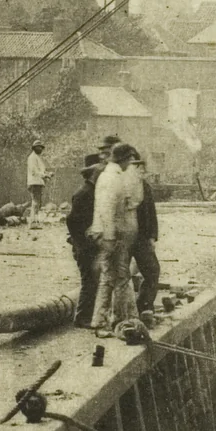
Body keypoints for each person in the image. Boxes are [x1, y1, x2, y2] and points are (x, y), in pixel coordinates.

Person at [88, 142, 139, 332]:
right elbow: (107, 210)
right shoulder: (114, 178)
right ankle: (117, 319)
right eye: (130, 159)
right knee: (119, 277)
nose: (131, 163)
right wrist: (110, 238)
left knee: (110, 277)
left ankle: (103, 319)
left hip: (109, 234)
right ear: (123, 159)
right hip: (112, 236)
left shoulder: (109, 175)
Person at [66, 154, 102, 328]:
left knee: (93, 281)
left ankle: (87, 315)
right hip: (84, 246)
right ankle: (82, 318)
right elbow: (72, 221)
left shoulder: (93, 192)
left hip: (89, 244)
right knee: (89, 282)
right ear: (92, 173)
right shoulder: (83, 193)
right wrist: (82, 243)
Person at [130, 151, 161, 314]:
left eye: (142, 168)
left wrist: (151, 236)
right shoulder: (125, 186)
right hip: (128, 236)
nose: (141, 171)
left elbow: (151, 214)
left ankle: (144, 305)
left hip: (142, 238)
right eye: (137, 167)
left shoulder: (145, 187)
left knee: (152, 271)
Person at [26, 139, 51, 223]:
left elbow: (41, 170)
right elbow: (34, 171)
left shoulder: (37, 158)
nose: (40, 149)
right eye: (38, 147)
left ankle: (35, 221)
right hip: (34, 182)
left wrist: (47, 173)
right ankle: (33, 221)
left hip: (38, 182)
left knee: (37, 202)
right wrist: (44, 175)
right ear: (34, 148)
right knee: (35, 202)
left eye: (41, 147)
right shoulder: (32, 158)